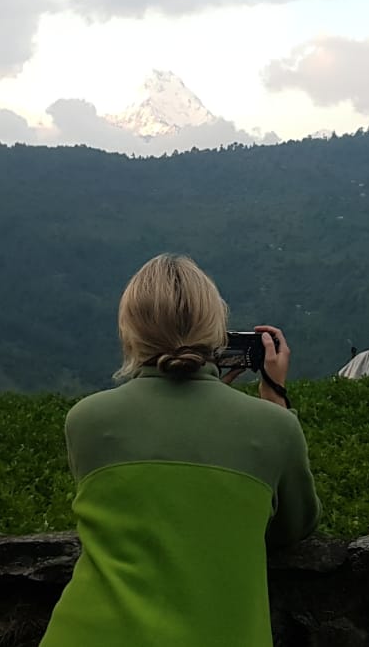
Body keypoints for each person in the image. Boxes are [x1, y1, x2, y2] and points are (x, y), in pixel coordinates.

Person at [40, 254, 321, 647]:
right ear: (217, 332)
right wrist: (273, 398)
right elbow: (293, 527)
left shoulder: (87, 420)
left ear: (130, 331)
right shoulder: (275, 427)